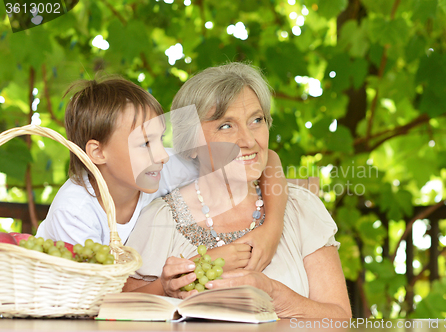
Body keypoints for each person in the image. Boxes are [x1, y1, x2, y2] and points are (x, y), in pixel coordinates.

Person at [124, 63, 352, 318]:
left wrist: (274, 294)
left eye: (256, 120)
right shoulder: (159, 219)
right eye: (226, 126)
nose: (249, 140)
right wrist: (165, 289)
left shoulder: (301, 209)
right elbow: (117, 310)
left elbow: (339, 319)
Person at [36, 76, 288, 272]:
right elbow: (98, 299)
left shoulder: (157, 168)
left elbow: (269, 160)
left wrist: (272, 229)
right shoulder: (75, 212)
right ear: (98, 152)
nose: (163, 155)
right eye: (145, 143)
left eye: (159, 139)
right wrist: (197, 266)